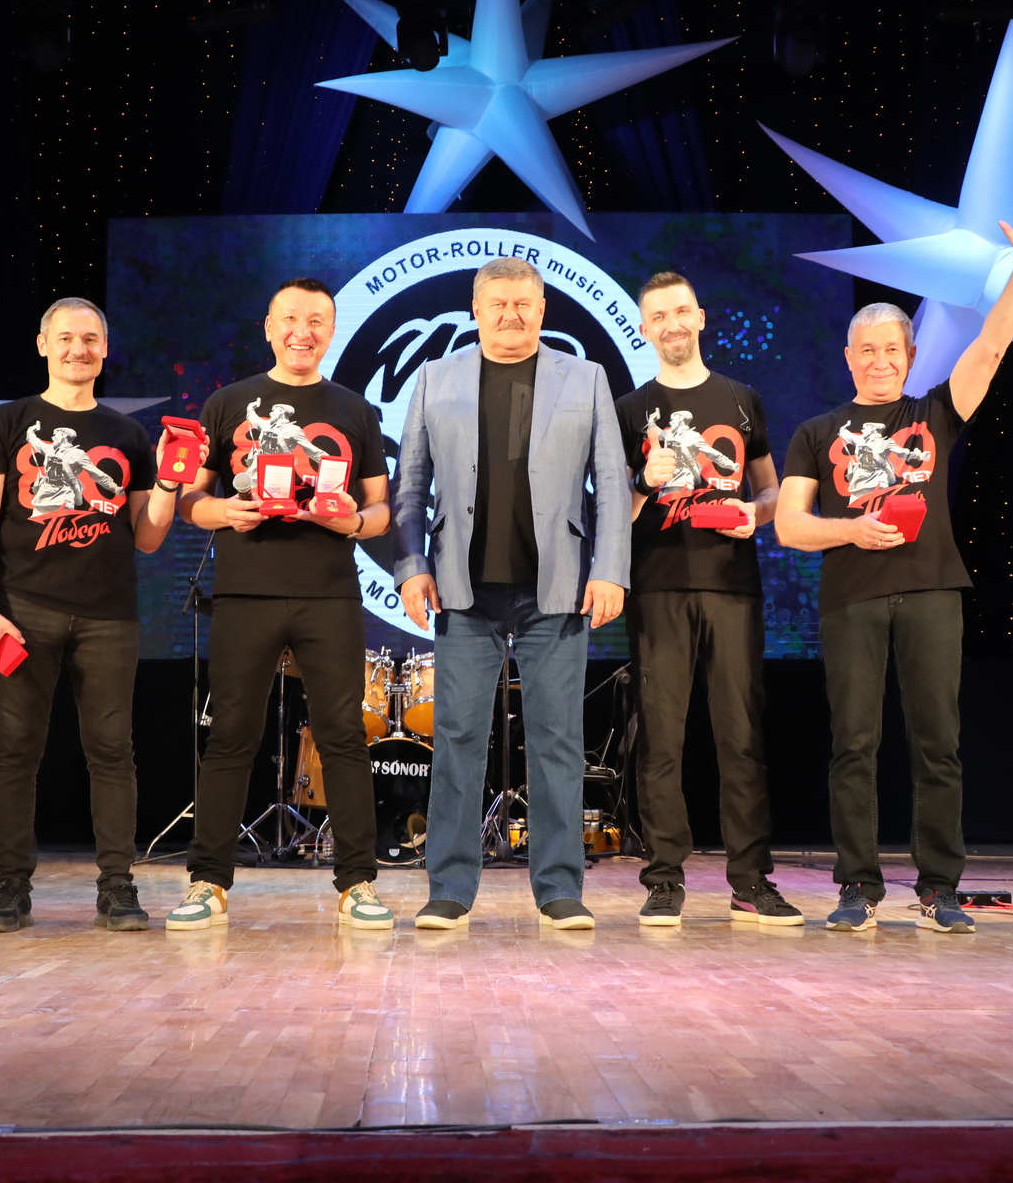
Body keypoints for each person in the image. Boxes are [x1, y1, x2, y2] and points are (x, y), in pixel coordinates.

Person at [775, 187, 1013, 935]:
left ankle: (939, 890)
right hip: (852, 599)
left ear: (909, 356)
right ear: (849, 358)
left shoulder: (934, 413)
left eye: (891, 350)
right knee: (853, 746)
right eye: (866, 351)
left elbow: (991, 344)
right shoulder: (815, 432)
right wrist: (850, 531)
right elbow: (791, 527)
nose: (879, 361)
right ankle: (857, 888)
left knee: (938, 745)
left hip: (932, 592)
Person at [395, 256, 629, 931]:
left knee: (558, 741)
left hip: (557, 590)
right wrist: (411, 566)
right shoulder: (435, 377)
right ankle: (449, 888)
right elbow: (410, 484)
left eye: (523, 303)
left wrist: (610, 568)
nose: (510, 315)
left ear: (542, 309)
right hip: (463, 589)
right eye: (497, 304)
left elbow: (612, 484)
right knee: (457, 737)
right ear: (476, 310)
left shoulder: (585, 378)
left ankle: (559, 888)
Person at [167, 278, 396, 932]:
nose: (303, 330)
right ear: (269, 328)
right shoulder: (227, 403)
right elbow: (190, 500)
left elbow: (381, 509)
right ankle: (208, 882)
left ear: (332, 330)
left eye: (316, 320)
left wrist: (353, 521)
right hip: (246, 592)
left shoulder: (354, 410)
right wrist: (224, 512)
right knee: (230, 737)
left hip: (329, 593)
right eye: (290, 318)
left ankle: (357, 883)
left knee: (343, 738)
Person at [0, 297, 178, 933]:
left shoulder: (127, 435)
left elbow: (147, 537)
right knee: (14, 751)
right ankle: (10, 887)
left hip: (109, 615)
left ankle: (117, 885)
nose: (78, 349)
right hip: (23, 609)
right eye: (65, 338)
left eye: (90, 339)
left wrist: (169, 483)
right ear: (42, 344)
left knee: (112, 751)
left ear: (104, 350)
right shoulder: (7, 422)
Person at [615, 271, 798, 928]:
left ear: (700, 317)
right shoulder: (630, 409)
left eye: (681, 311)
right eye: (658, 316)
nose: (672, 324)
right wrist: (645, 479)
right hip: (658, 587)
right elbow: (613, 512)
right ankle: (664, 880)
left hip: (733, 588)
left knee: (741, 737)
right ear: (645, 328)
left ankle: (751, 881)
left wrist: (758, 513)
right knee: (661, 741)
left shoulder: (742, 399)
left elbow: (771, 490)